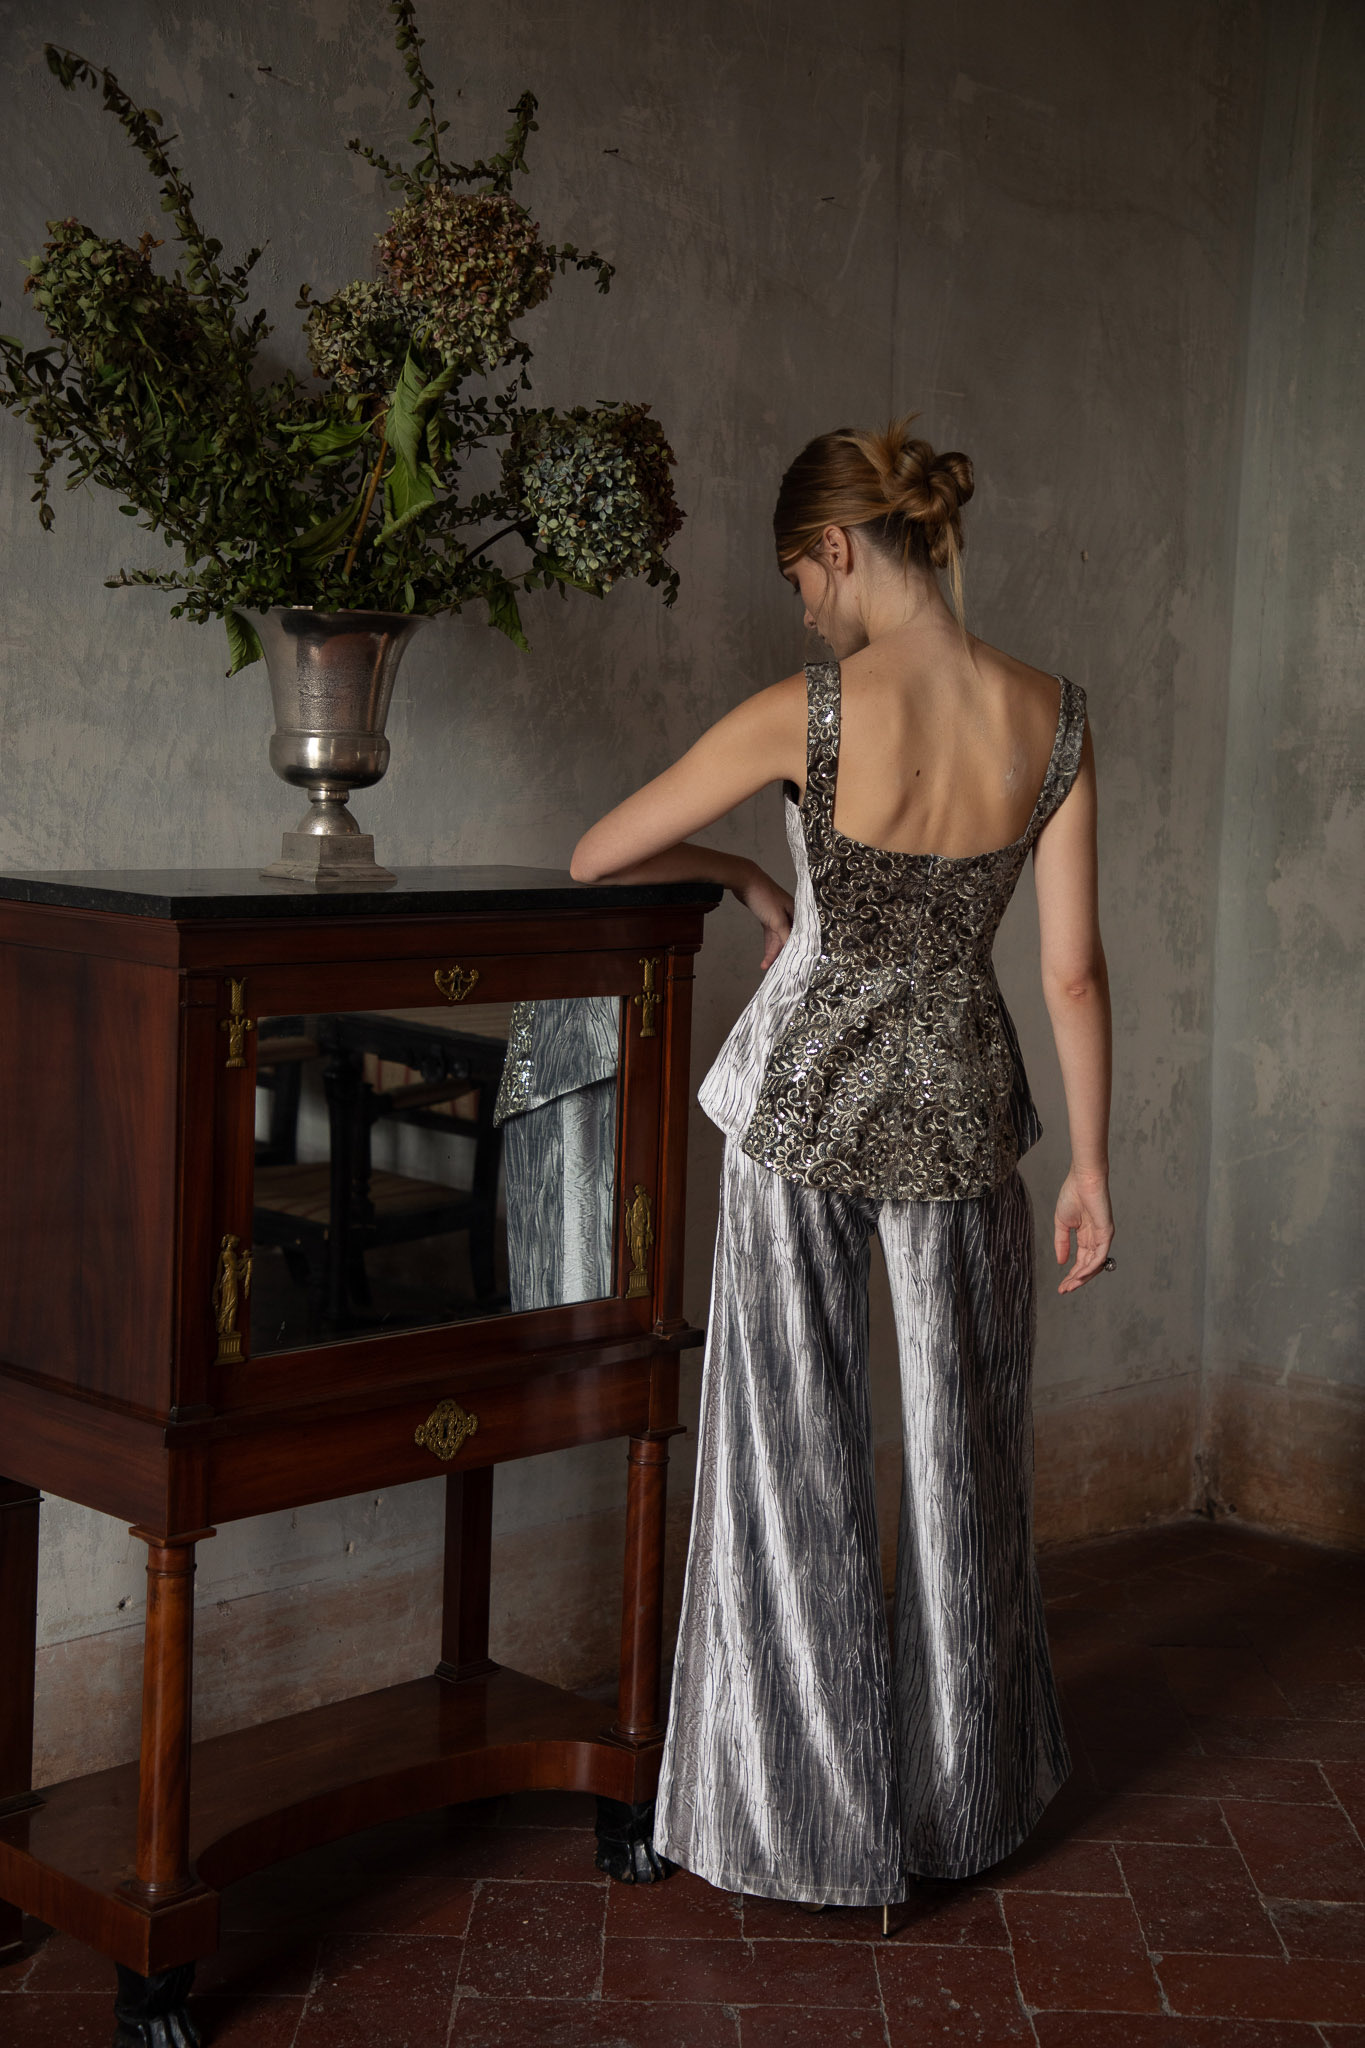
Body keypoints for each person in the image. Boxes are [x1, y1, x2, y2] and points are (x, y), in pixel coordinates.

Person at [570, 416, 1114, 1915]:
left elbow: (599, 855)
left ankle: (802, 1827)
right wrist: (1091, 1168)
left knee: (785, 1461)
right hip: (964, 1112)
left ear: (834, 549)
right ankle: (960, 1815)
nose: (805, 612)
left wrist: (751, 873)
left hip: (799, 1105)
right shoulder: (1053, 718)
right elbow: (1071, 972)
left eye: (799, 582)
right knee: (963, 1467)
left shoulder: (803, 715)